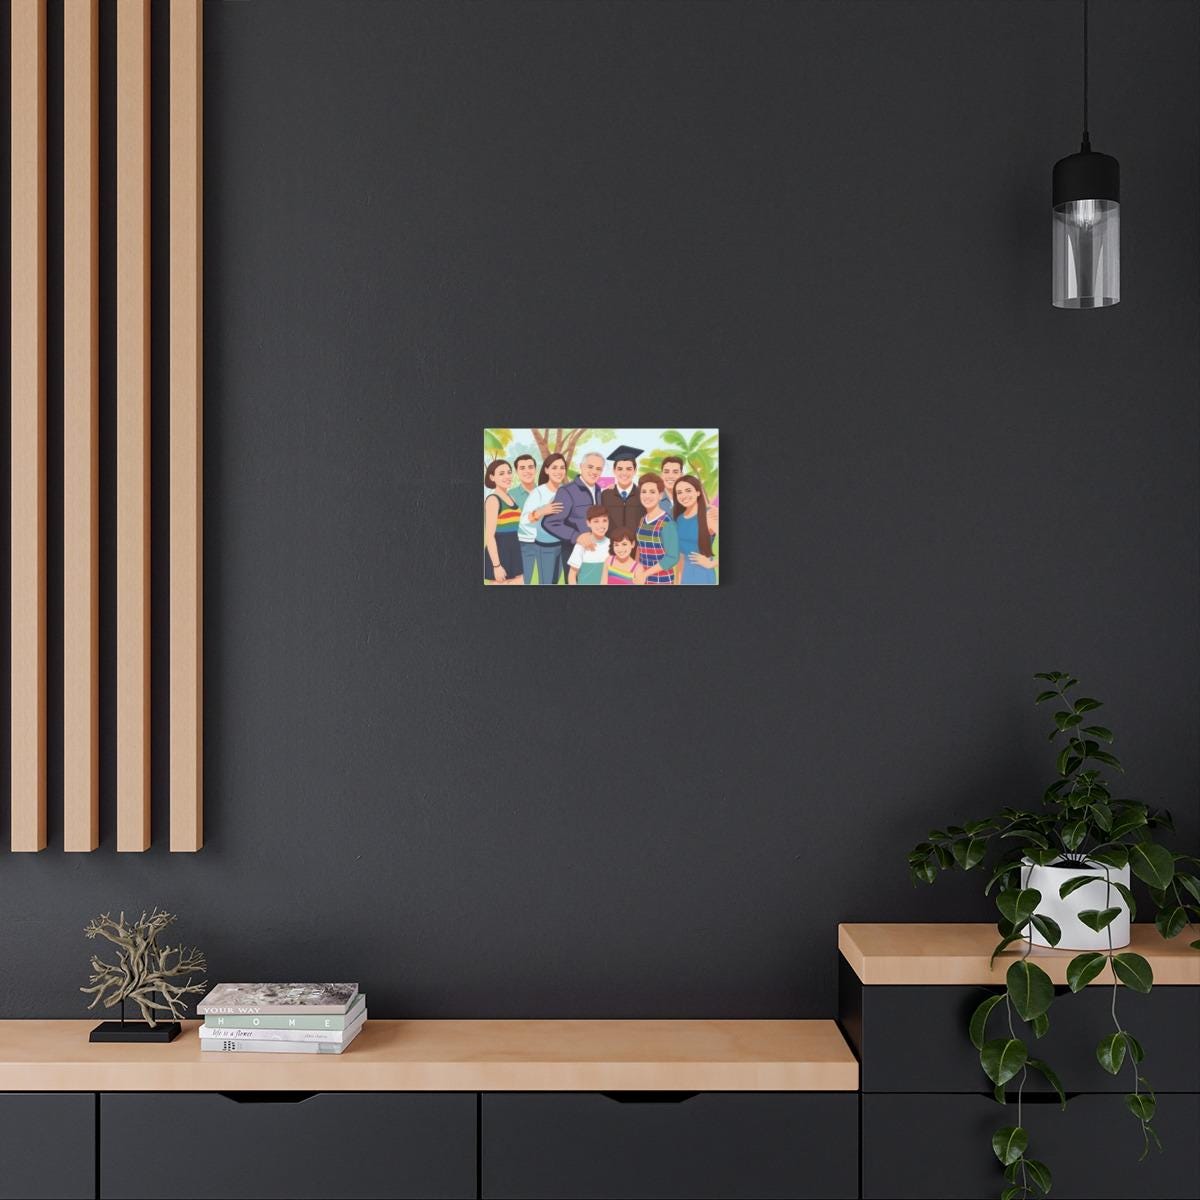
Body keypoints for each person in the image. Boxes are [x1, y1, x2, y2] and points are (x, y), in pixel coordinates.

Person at [543, 450, 607, 578]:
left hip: (595, 553)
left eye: (598, 469)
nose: (594, 472)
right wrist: (576, 536)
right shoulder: (566, 491)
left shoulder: (599, 490)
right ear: (581, 466)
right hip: (574, 553)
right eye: (590, 467)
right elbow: (550, 522)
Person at [519, 453, 568, 585]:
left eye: (562, 468)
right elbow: (523, 520)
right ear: (546, 470)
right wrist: (541, 511)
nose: (559, 471)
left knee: (555, 581)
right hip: (545, 546)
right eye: (554, 467)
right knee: (546, 582)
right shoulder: (538, 492)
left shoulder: (566, 491)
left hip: (563, 545)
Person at [633, 473, 679, 586]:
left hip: (662, 579)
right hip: (642, 579)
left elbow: (672, 557)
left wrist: (646, 574)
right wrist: (636, 569)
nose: (647, 496)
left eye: (652, 492)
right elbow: (640, 547)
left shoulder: (668, 523)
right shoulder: (643, 520)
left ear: (660, 495)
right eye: (644, 492)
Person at [672, 474, 717, 585]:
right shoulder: (679, 519)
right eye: (679, 492)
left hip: (703, 574)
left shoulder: (709, 515)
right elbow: (681, 554)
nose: (684, 495)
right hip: (684, 574)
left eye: (688, 490)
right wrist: (677, 580)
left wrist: (712, 563)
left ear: (698, 492)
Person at [483, 460, 523, 584]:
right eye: (501, 473)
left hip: (515, 550)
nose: (507, 476)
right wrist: (496, 566)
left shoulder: (512, 497)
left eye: (509, 472)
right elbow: (489, 536)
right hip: (501, 551)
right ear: (492, 477)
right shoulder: (493, 500)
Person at [600, 447, 645, 533]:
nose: (624, 473)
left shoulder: (642, 494)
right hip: (612, 544)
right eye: (620, 469)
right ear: (614, 470)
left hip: (637, 544)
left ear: (635, 471)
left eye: (629, 469)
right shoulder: (606, 495)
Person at [567, 506, 610, 585]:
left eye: (604, 520)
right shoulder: (581, 546)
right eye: (596, 521)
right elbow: (572, 576)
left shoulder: (612, 544)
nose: (601, 525)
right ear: (588, 523)